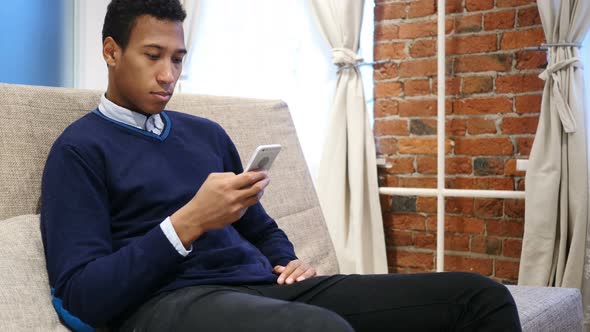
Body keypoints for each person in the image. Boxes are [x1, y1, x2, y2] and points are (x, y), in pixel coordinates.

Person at [41, 0, 522, 331]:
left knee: (480, 298)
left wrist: (285, 259)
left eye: (177, 58)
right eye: (152, 56)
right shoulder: (79, 150)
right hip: (166, 305)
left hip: (261, 288)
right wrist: (188, 223)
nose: (168, 75)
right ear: (111, 51)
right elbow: (84, 294)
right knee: (318, 329)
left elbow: (260, 226)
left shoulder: (205, 134)